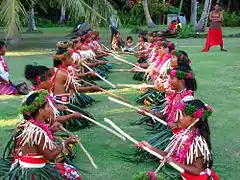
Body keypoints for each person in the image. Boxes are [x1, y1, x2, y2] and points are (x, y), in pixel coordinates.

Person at [0, 90, 81, 179]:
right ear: (41, 110)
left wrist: (50, 130)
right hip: (33, 173)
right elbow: (50, 156)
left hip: (26, 167)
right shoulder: (38, 132)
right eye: (49, 106)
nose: (52, 108)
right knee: (72, 173)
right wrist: (66, 142)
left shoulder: (29, 125)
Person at [137, 99, 219, 180]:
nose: (179, 118)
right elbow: (168, 156)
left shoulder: (198, 142)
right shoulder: (182, 135)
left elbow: (196, 171)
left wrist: (174, 162)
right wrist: (149, 147)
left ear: (194, 119)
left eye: (184, 115)